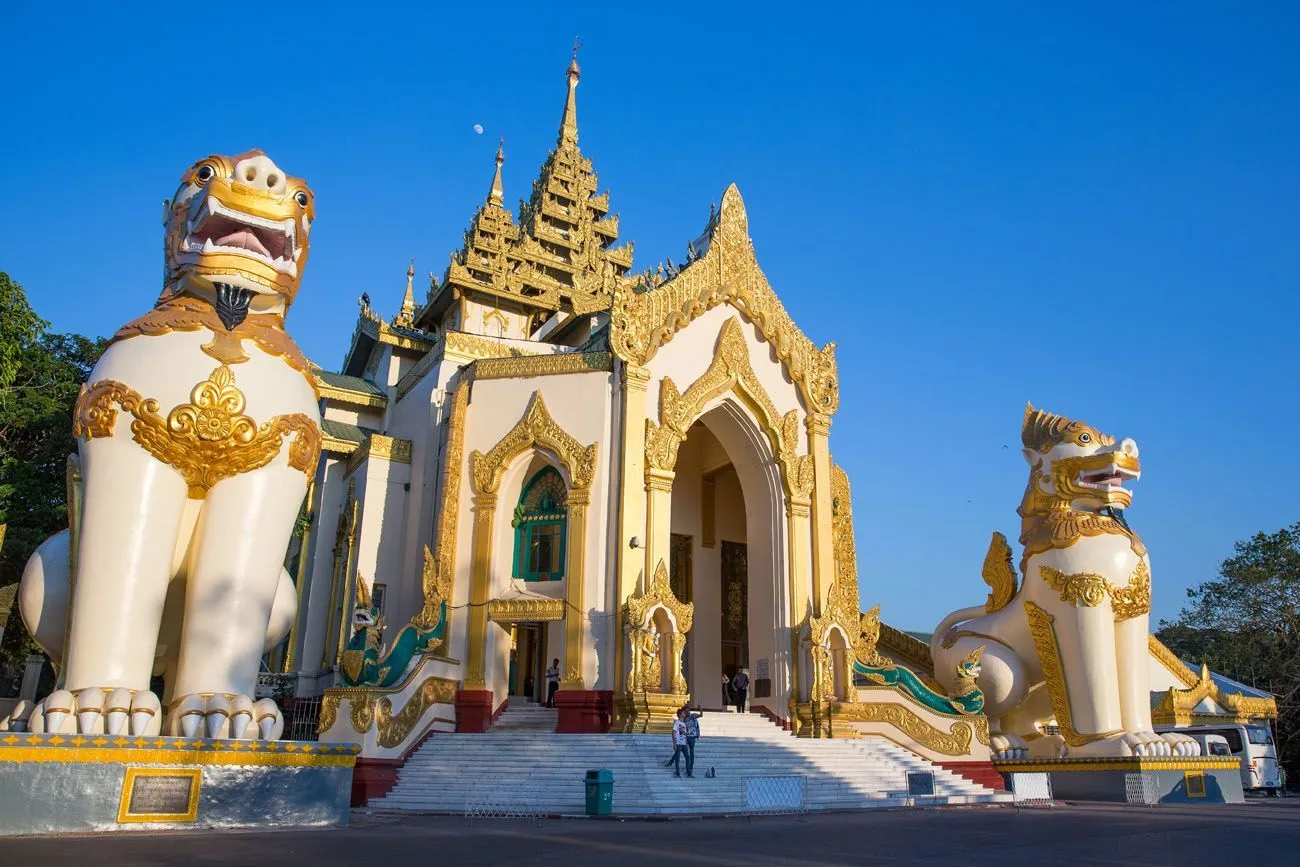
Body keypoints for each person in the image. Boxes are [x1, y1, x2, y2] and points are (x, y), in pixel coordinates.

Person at [669, 708, 690, 778]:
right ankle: (677, 773)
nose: (685, 714)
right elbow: (673, 733)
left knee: (687, 757)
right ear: (680, 714)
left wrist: (687, 743)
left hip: (684, 743)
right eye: (683, 713)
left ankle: (688, 772)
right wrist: (674, 743)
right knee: (677, 758)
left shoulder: (684, 723)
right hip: (678, 743)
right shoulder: (677, 723)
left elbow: (685, 734)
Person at [684, 706, 702, 777]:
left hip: (693, 737)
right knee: (687, 754)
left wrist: (700, 710)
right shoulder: (684, 719)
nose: (687, 712)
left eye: (688, 711)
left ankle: (690, 769)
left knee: (692, 754)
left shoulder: (693, 716)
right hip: (686, 737)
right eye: (686, 711)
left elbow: (701, 715)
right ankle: (688, 769)